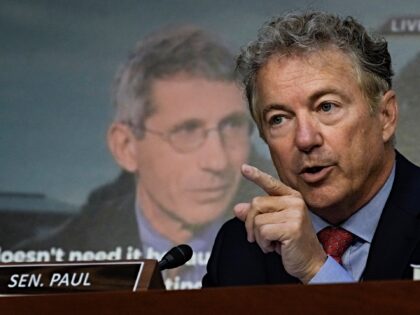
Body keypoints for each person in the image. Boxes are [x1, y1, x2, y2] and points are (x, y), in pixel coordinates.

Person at [14, 25, 274, 290]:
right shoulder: (46, 265)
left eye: (232, 126)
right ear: (126, 147)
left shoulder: (287, 249)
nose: (217, 162)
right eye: (187, 131)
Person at [202, 11, 420, 287]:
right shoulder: (242, 246)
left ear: (386, 116)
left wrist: (317, 269)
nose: (305, 139)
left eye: (326, 107)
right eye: (279, 118)